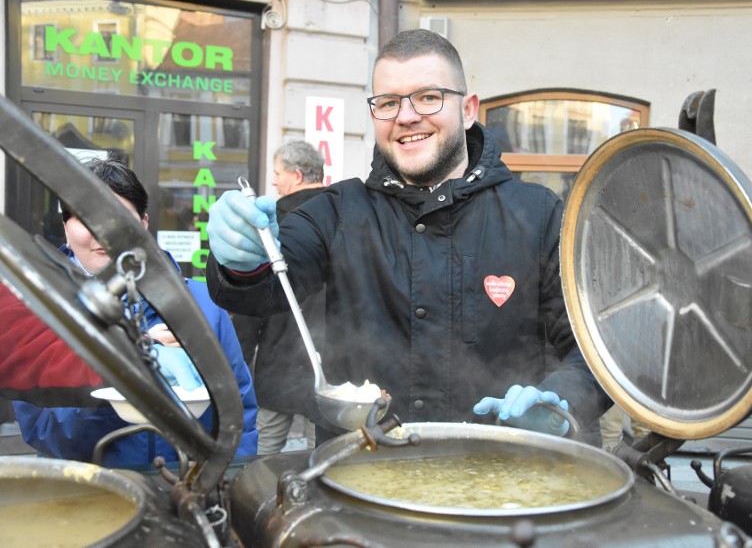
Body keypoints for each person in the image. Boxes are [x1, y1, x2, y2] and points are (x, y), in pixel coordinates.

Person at [205, 29, 611, 444]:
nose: (406, 116)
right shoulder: (337, 210)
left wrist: (560, 400)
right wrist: (243, 259)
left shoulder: (539, 215)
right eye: (388, 102)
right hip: (362, 476)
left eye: (429, 97)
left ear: (468, 109)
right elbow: (266, 288)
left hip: (503, 479)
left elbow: (595, 350)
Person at [10, 157, 258, 468]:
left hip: (189, 489)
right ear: (65, 227)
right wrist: (123, 366)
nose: (101, 232)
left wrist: (231, 481)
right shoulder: (40, 310)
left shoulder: (201, 305)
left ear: (143, 224)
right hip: (94, 493)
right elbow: (45, 433)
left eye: (116, 217)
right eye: (85, 217)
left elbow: (240, 415)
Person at [232, 140, 326, 454]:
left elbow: (251, 300)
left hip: (278, 361)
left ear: (296, 176)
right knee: (324, 452)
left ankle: (260, 501)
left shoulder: (271, 227)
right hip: (329, 359)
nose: (273, 181)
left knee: (264, 451)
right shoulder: (343, 218)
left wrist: (240, 360)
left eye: (277, 173)